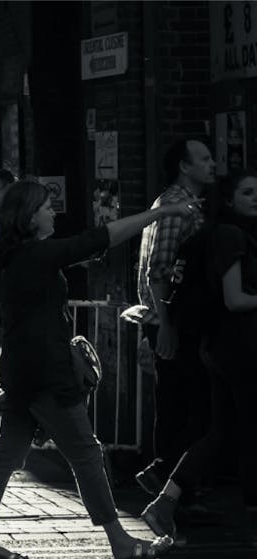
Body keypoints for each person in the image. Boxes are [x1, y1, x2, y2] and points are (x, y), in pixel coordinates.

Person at [0, 179, 189, 559]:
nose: (53, 212)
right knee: (86, 453)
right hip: (46, 374)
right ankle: (120, 541)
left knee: (7, 455)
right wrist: (160, 213)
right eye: (46, 207)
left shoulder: (3, 258)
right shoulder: (35, 256)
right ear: (29, 217)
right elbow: (101, 237)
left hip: (19, 370)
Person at [140, 170, 257, 539]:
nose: (256, 198)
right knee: (249, 430)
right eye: (248, 192)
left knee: (221, 429)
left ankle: (165, 501)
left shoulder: (217, 234)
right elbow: (235, 299)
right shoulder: (230, 237)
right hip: (240, 347)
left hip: (219, 346)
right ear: (228, 199)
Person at [124, 139, 215, 497]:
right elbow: (157, 270)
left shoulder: (175, 204)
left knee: (179, 404)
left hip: (169, 319)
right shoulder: (178, 207)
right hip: (173, 320)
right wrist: (167, 325)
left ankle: (170, 482)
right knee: (187, 407)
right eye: (204, 158)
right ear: (184, 166)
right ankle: (168, 483)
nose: (213, 164)